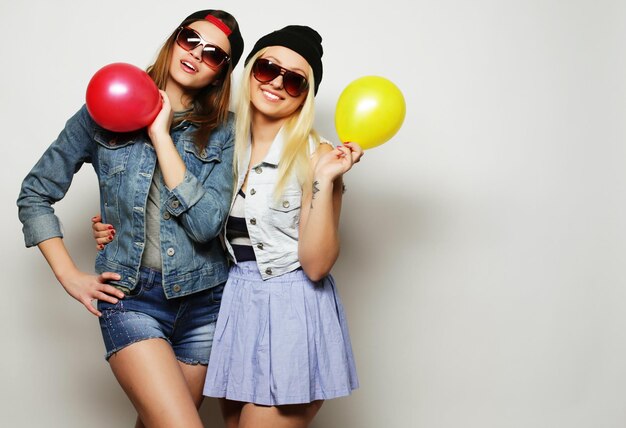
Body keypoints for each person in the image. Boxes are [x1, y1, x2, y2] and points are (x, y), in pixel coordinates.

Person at [17, 10, 244, 428]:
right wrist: (69, 274)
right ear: (175, 39)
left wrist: (160, 134)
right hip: (132, 298)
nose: (196, 53)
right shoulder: (106, 103)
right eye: (190, 38)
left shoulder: (225, 131)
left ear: (220, 74)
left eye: (213, 54)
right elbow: (35, 194)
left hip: (205, 301)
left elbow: (206, 225)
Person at [204, 26, 361, 427]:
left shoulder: (317, 156)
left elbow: (316, 265)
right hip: (237, 301)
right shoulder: (222, 143)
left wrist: (326, 181)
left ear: (305, 96)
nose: (276, 82)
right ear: (250, 68)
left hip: (292, 307)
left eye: (294, 80)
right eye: (267, 68)